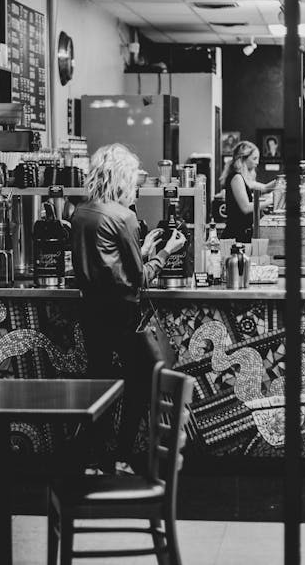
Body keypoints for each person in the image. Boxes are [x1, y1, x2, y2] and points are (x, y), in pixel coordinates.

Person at [71, 143, 186, 472]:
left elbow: (109, 263)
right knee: (139, 384)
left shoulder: (80, 213)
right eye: (134, 183)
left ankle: (97, 457)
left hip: (92, 314)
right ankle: (122, 455)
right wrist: (164, 253)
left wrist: (143, 248)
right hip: (124, 316)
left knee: (100, 385)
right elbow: (139, 279)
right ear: (120, 180)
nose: (136, 190)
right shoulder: (124, 217)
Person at [220, 140, 276, 242]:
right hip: (235, 235)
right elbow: (246, 207)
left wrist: (281, 180)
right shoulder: (236, 178)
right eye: (254, 158)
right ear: (243, 158)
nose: (257, 162)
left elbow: (265, 188)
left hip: (242, 233)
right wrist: (272, 200)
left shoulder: (243, 178)